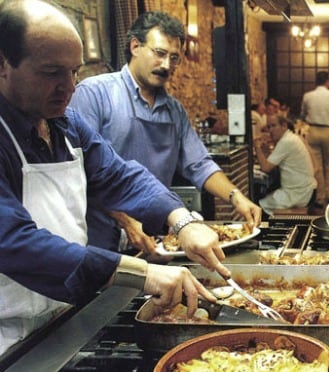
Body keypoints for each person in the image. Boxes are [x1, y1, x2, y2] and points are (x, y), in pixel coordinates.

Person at [0, 0, 228, 355]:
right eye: (51, 73)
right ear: (3, 64)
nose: (70, 87)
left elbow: (121, 176)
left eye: (73, 72)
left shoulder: (66, 125)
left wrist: (182, 221)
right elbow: (14, 241)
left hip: (62, 317)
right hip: (7, 336)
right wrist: (138, 273)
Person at [69, 11, 261, 257]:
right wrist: (125, 221)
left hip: (154, 240)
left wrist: (236, 197)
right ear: (135, 46)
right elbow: (81, 174)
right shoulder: (94, 95)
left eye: (174, 58)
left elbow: (199, 164)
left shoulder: (174, 110)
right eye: (159, 53)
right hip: (100, 240)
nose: (166, 65)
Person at [253, 115, 317, 216]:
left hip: (298, 193)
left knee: (258, 206)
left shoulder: (287, 141)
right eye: (269, 127)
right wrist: (263, 149)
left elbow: (266, 168)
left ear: (284, 126)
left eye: (273, 126)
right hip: (305, 189)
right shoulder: (291, 137)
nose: (270, 130)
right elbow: (270, 162)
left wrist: (256, 146)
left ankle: (271, 229)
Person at [300, 71, 329, 208]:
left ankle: (319, 197)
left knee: (316, 165)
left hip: (312, 130)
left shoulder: (307, 96)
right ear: (327, 81)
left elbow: (302, 114)